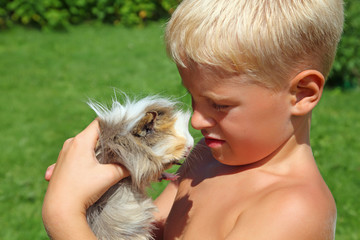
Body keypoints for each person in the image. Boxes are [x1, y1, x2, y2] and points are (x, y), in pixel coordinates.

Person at [42, 0, 344, 239]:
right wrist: (110, 190)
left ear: (302, 94)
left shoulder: (292, 211)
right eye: (192, 97)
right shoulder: (204, 162)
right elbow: (151, 232)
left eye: (219, 104)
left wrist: (64, 214)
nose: (197, 120)